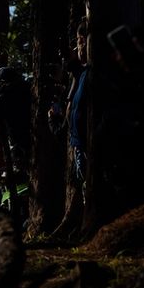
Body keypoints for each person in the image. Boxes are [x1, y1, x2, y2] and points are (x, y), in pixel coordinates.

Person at [48, 24, 87, 186]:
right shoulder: (77, 77)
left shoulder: (87, 73)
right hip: (80, 145)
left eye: (78, 41)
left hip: (87, 145)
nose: (75, 47)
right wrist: (55, 121)